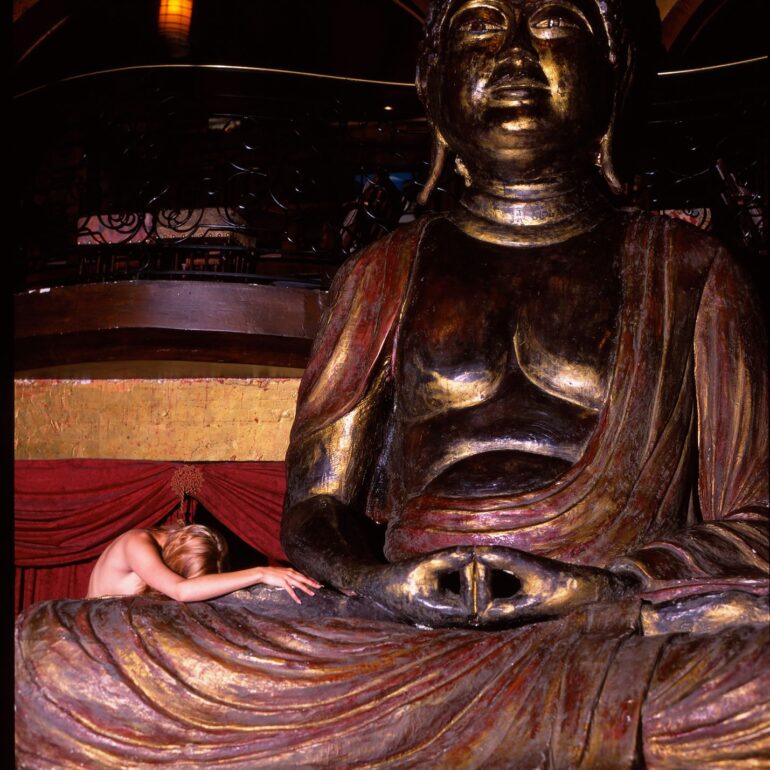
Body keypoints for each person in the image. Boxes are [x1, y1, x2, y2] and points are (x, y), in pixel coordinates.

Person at [16, 1, 769, 767]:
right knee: (55, 659)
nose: (514, 54)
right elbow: (317, 509)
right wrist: (382, 584)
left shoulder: (691, 272)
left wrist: (600, 590)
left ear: (613, 72)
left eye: (552, 23)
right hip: (401, 625)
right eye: (480, 26)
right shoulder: (380, 273)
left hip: (607, 622)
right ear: (434, 84)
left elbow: (755, 521)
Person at [86, 523, 320, 603]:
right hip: (90, 645)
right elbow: (181, 590)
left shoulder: (169, 545)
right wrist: (261, 573)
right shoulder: (135, 543)